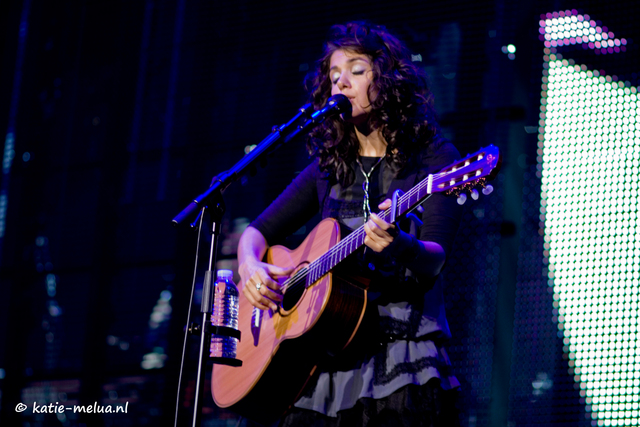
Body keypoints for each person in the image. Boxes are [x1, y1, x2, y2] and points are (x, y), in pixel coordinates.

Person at [238, 22, 463, 426]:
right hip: (324, 365)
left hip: (399, 357)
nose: (342, 83)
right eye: (334, 75)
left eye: (356, 71)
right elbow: (255, 233)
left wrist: (399, 246)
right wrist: (251, 268)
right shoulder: (327, 169)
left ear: (388, 78)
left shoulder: (433, 158)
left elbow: (434, 259)